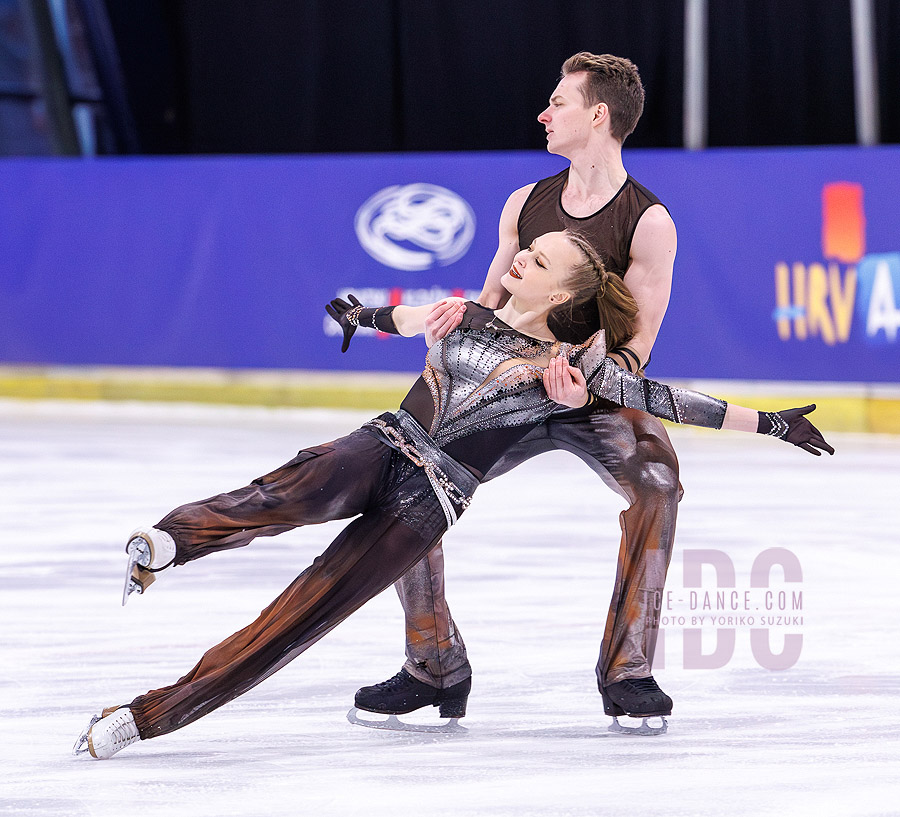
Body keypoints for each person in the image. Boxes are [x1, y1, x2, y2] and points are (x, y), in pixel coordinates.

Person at [72, 230, 832, 759]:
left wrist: (770, 422)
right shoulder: (459, 312)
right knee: (288, 490)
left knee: (303, 613)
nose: (518, 260)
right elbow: (395, 316)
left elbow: (667, 398)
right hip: (381, 445)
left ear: (562, 292)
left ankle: (149, 715)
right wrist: (356, 315)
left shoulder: (572, 373)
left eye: (533, 259)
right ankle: (173, 541)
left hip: (427, 502)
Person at [355, 52, 684, 726]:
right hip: (510, 388)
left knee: (655, 479)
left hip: (590, 397)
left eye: (558, 102)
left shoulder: (648, 222)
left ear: (598, 115)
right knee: (405, 478)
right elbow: (490, 306)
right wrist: (449, 326)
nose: (544, 113)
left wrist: (585, 378)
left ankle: (629, 669)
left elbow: (638, 344)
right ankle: (434, 660)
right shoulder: (524, 203)